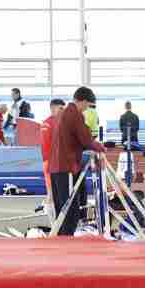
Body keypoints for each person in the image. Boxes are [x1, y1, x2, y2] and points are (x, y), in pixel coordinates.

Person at [48, 88, 108, 237]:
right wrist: (101, 148)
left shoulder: (62, 114)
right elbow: (86, 139)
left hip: (56, 167)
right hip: (66, 167)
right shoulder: (74, 114)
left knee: (61, 209)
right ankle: (67, 239)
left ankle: (62, 237)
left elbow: (74, 138)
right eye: (87, 105)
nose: (86, 109)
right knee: (71, 211)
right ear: (83, 101)